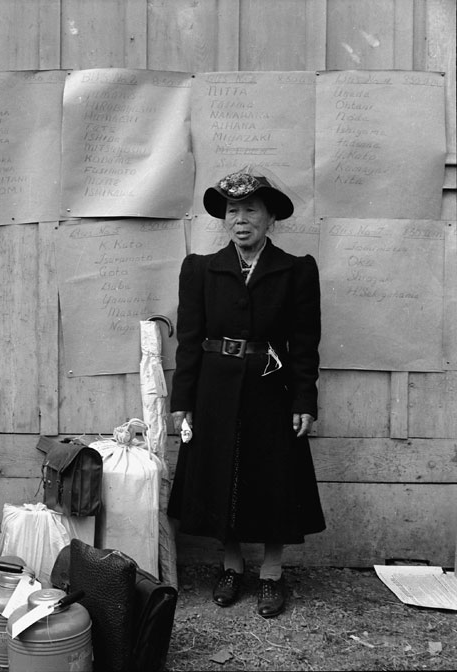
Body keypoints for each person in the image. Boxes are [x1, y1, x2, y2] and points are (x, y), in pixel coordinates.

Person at [168, 167, 325, 618]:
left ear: (270, 217)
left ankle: (272, 574)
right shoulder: (200, 269)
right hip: (214, 391)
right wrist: (183, 402)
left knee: (274, 476)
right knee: (220, 474)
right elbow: (190, 341)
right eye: (233, 211)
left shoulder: (296, 271)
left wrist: (303, 401)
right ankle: (231, 565)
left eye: (251, 209)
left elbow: (305, 346)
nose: (240, 219)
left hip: (270, 389)